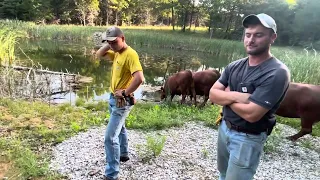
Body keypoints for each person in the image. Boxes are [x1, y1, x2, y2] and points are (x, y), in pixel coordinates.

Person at [209, 13, 290, 180]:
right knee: (223, 174)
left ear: (272, 37)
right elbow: (212, 94)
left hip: (248, 137)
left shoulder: (276, 73)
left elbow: (252, 114)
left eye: (258, 35)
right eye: (248, 34)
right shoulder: (235, 65)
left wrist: (226, 96)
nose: (251, 40)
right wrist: (240, 96)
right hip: (225, 127)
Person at [96, 26, 144, 180]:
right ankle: (123, 154)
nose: (112, 45)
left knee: (110, 138)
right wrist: (109, 42)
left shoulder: (130, 54)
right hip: (113, 99)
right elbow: (98, 54)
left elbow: (139, 78)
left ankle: (112, 174)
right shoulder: (117, 52)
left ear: (123, 38)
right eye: (109, 42)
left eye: (115, 42)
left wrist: (125, 92)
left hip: (122, 101)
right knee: (120, 127)